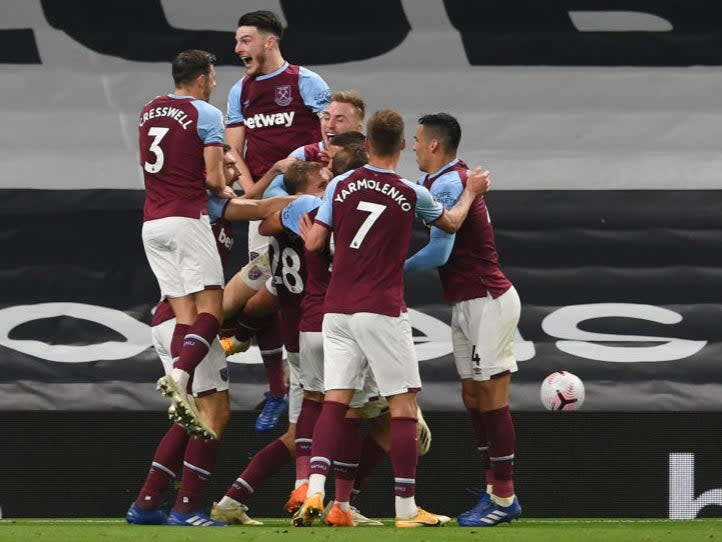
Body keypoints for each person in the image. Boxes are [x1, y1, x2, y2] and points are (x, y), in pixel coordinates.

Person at [294, 109, 490, 528]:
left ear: (367, 145)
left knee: (336, 401)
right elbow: (452, 224)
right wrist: (471, 191)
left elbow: (314, 241)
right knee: (403, 406)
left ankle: (314, 490)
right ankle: (406, 508)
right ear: (401, 145)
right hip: (380, 307)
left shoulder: (341, 184)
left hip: (337, 309)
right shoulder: (409, 190)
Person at [128, 143, 288, 527]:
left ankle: (147, 503)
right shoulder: (208, 206)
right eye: (228, 166)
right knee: (215, 412)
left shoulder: (205, 205)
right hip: (187, 321)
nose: (234, 172)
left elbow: (247, 200)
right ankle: (186, 508)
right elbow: (261, 207)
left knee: (192, 417)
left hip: (168, 320)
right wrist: (313, 196)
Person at [405, 113, 522, 527]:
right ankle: (493, 489)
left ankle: (504, 498)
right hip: (465, 301)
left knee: (492, 398)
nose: (414, 146)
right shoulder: (435, 184)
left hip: (488, 298)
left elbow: (439, 253)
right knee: (472, 398)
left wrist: (389, 272)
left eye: (418, 140)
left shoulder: (452, 182)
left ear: (435, 145)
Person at [222, 10, 331, 431]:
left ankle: (303, 379)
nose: (238, 49)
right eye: (237, 41)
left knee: (290, 289)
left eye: (245, 40)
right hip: (265, 209)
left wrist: (301, 165)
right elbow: (234, 150)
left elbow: (330, 139)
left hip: (307, 205)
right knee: (272, 289)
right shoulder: (240, 91)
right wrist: (255, 192)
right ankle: (278, 391)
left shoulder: (306, 82)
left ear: (270, 41)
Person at [139, 49, 234, 441]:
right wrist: (225, 188)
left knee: (183, 312)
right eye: (212, 77)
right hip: (185, 217)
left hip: (152, 222)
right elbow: (213, 178)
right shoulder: (207, 114)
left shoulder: (148, 110)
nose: (213, 83)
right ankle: (181, 375)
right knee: (211, 306)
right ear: (201, 79)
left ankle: (183, 385)